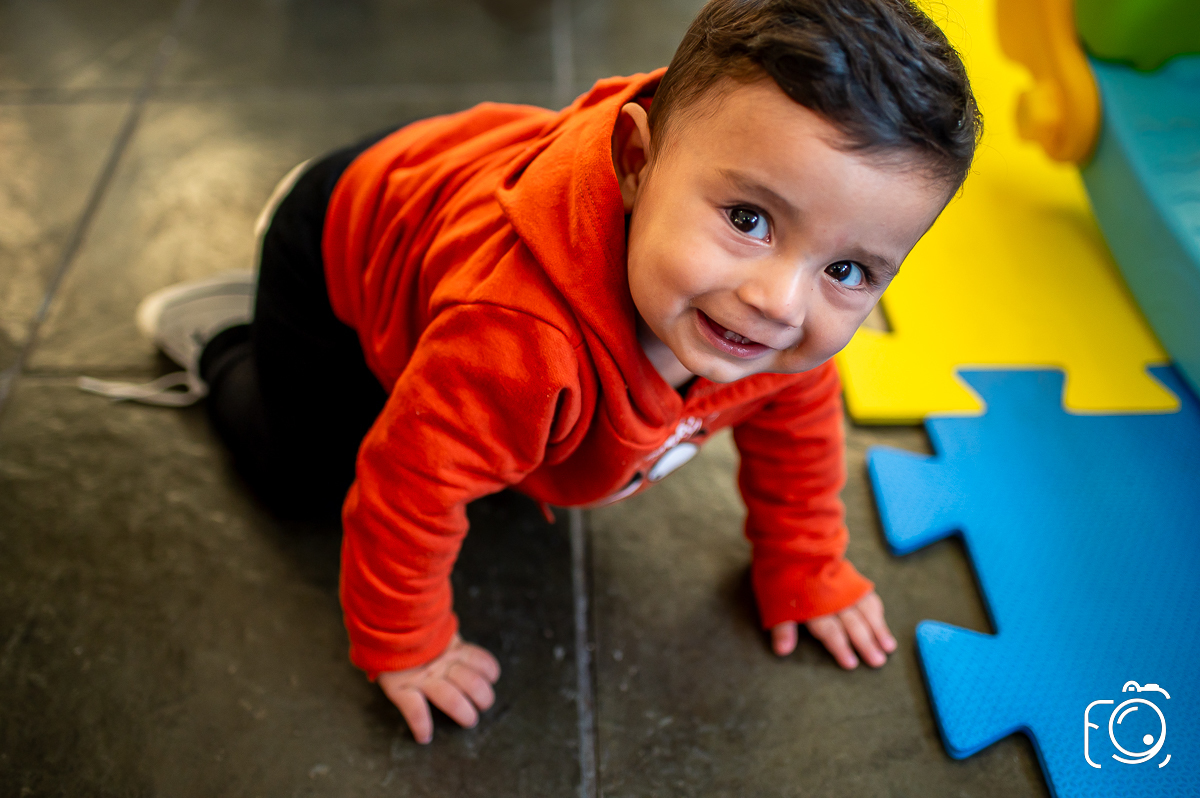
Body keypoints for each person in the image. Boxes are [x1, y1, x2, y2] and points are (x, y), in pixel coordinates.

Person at [83, 0, 980, 745]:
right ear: (636, 162)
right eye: (749, 218)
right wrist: (405, 644)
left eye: (849, 271)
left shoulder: (773, 334)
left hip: (454, 201)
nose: (780, 302)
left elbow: (798, 423)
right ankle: (222, 339)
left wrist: (807, 562)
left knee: (488, 437)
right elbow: (407, 490)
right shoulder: (515, 339)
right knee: (303, 471)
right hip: (338, 235)